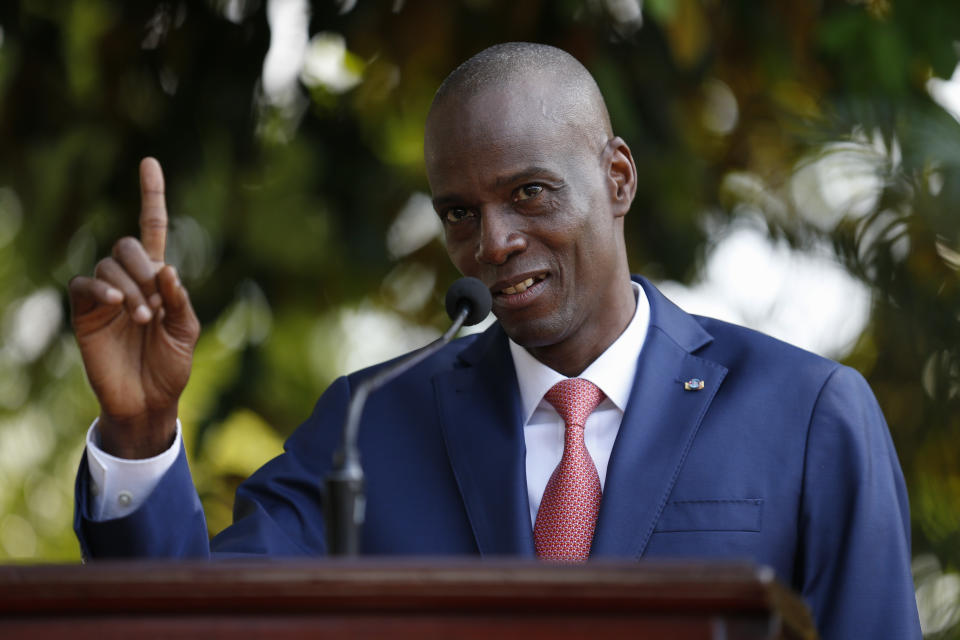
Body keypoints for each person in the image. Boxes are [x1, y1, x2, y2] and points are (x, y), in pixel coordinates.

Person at [68, 43, 921, 638]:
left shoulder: (806, 415)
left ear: (616, 177)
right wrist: (141, 435)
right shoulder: (371, 425)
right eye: (460, 213)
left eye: (531, 193)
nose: (495, 241)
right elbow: (201, 616)